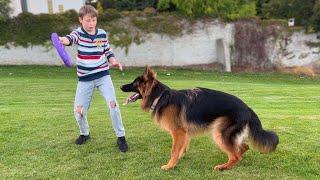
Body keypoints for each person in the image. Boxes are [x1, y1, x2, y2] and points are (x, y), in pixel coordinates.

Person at [58, 5, 128, 152]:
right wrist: (61, 40)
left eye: (94, 20)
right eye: (88, 20)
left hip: (103, 76)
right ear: (81, 20)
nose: (91, 24)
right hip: (85, 79)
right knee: (78, 112)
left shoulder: (102, 34)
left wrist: (114, 61)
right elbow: (70, 39)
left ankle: (121, 137)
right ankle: (85, 134)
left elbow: (108, 51)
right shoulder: (78, 33)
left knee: (113, 105)